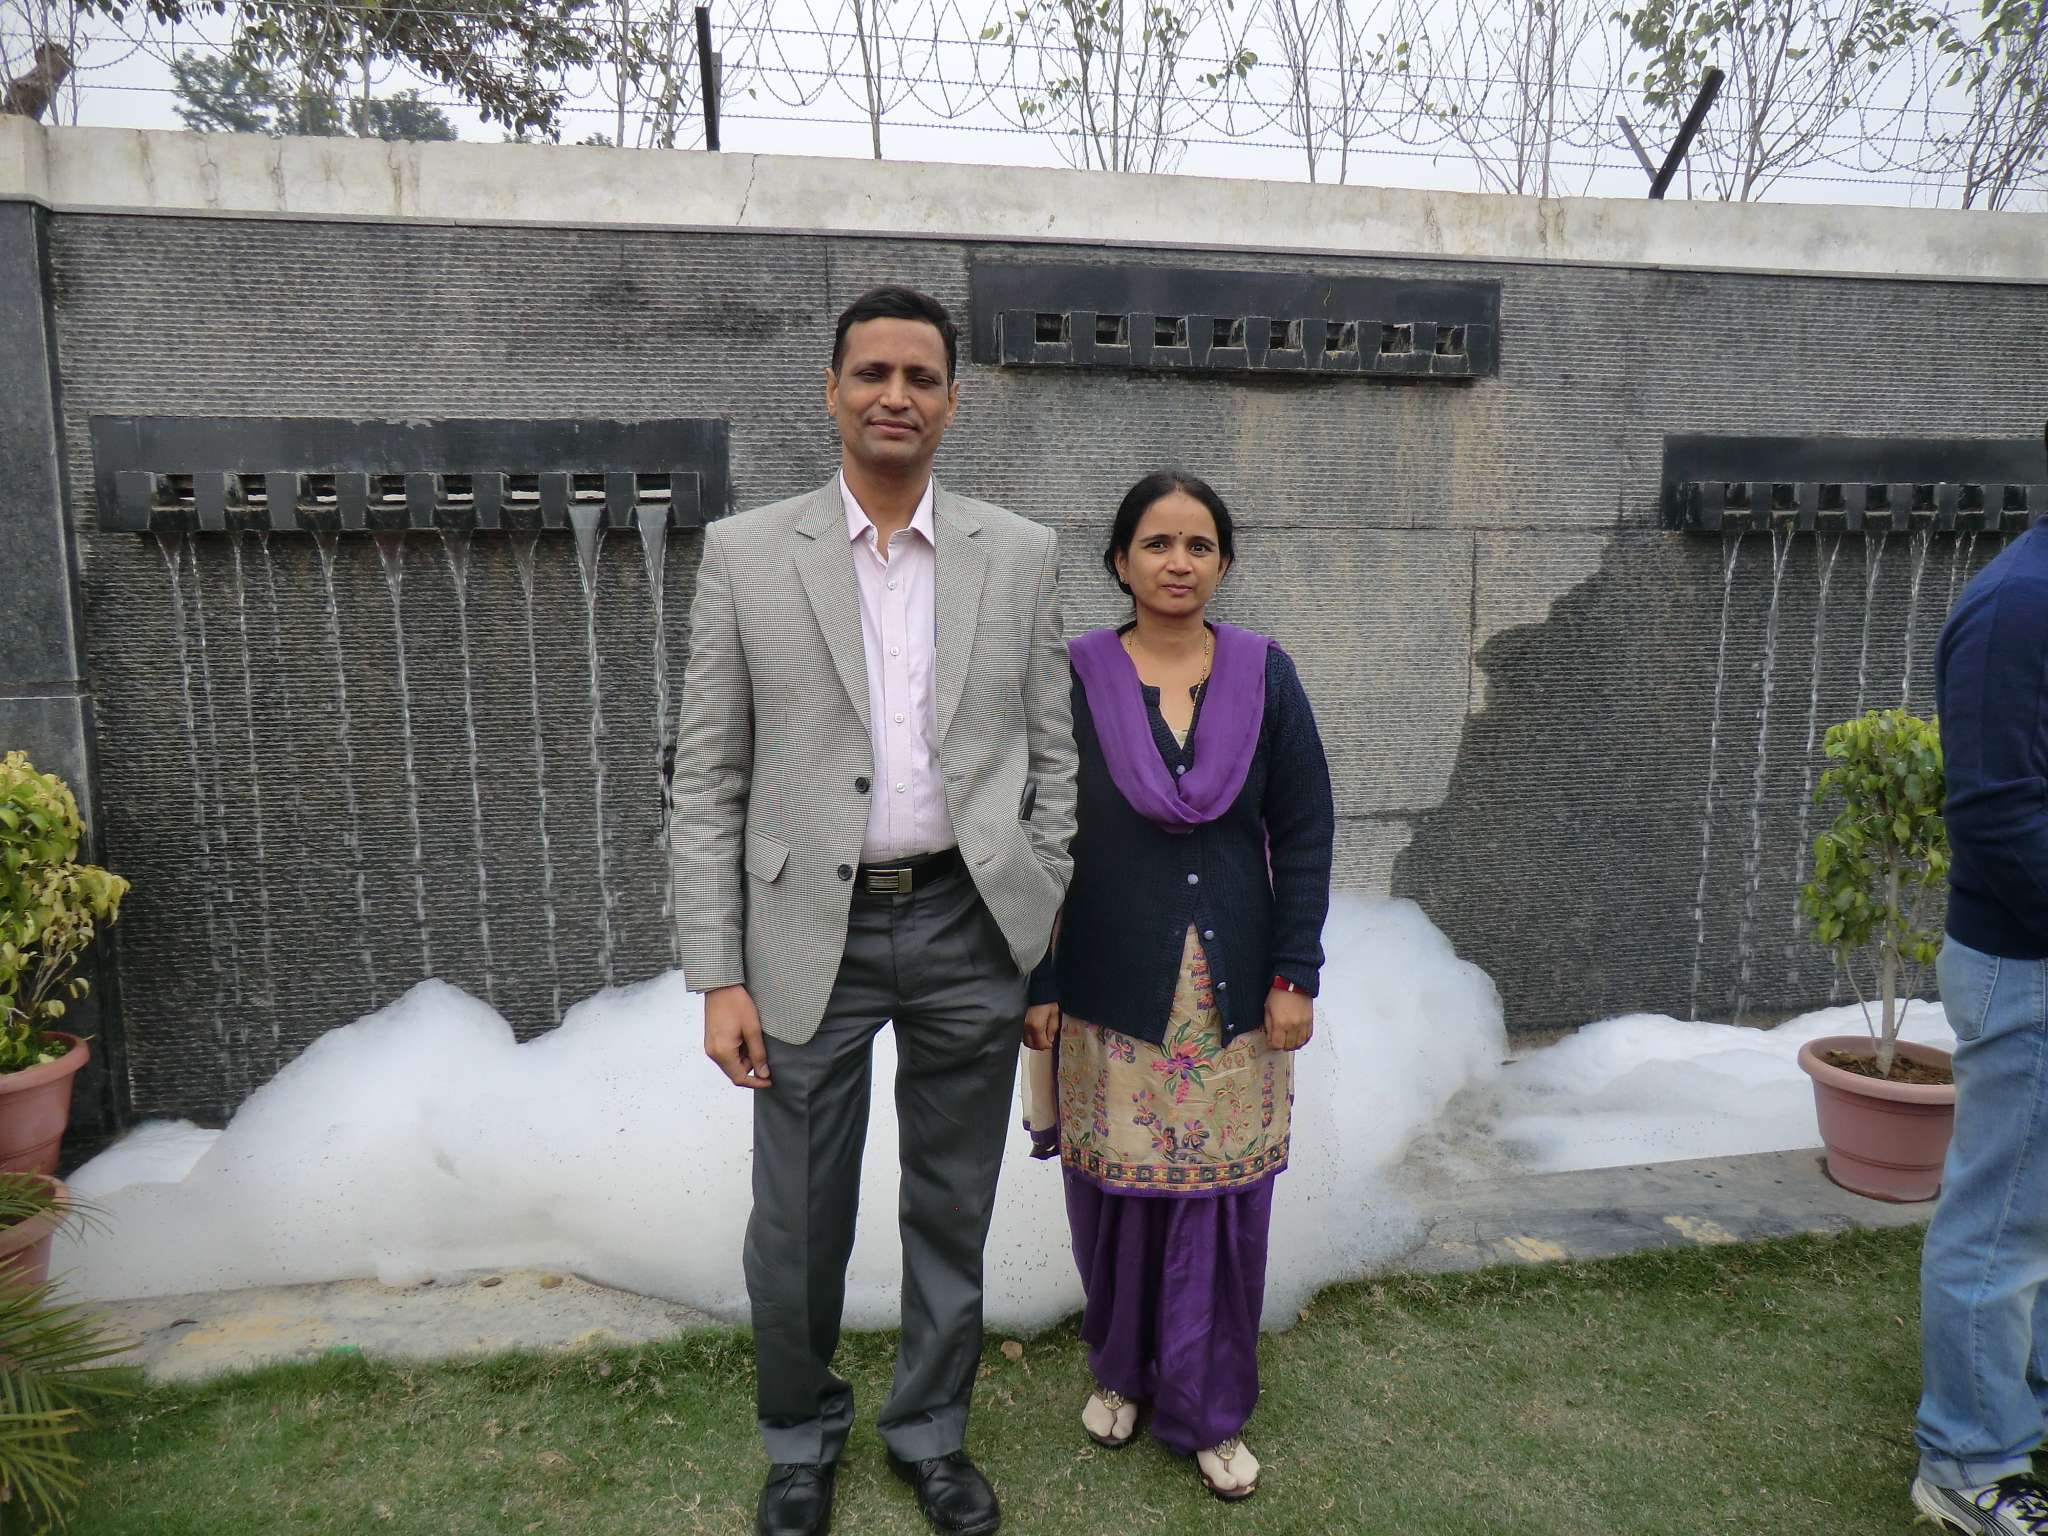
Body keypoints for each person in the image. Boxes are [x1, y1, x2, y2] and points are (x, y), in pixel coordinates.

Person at [669, 284, 1077, 1536]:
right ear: (832, 391)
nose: (894, 395)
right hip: (806, 935)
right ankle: (799, 1442)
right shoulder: (746, 554)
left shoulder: (1018, 554)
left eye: (920, 376)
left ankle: (930, 1432)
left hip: (967, 923)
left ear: (952, 400)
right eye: (871, 373)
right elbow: (707, 776)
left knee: (951, 1204)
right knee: (796, 1220)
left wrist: (1039, 897)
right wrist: (717, 974)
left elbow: (1053, 754)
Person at [1020, 470, 1334, 1501]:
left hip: (1231, 996)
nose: (1177, 562)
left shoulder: (1263, 674)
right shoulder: (1072, 677)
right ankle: (1121, 1369)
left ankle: (1208, 1407)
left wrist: (1295, 973)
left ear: (1224, 562)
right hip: (1109, 988)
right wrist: (1040, 976)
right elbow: (1036, 833)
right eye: (1156, 543)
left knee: (1220, 1203)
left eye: (1199, 544)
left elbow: (1305, 829)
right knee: (1116, 1196)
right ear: (1119, 561)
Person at [1911, 495, 2048, 1536]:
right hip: (2024, 965)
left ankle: (2017, 1397)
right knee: (2000, 1225)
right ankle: (1967, 1461)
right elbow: (1994, 812)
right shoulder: (2017, 605)